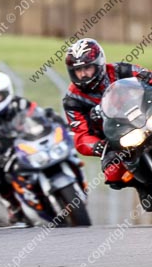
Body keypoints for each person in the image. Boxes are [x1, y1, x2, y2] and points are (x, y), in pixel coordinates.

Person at [62, 37, 152, 210]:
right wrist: (97, 146)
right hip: (112, 137)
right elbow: (80, 134)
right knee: (113, 174)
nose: (83, 74)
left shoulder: (122, 70)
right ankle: (142, 185)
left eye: (87, 68)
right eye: (78, 70)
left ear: (99, 63)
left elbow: (148, 80)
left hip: (143, 118)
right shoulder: (72, 99)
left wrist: (148, 78)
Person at [0, 71, 56, 224]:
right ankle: (14, 207)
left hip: (29, 145)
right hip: (1, 154)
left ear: (6, 93)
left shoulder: (20, 104)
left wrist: (51, 119)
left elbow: (40, 117)